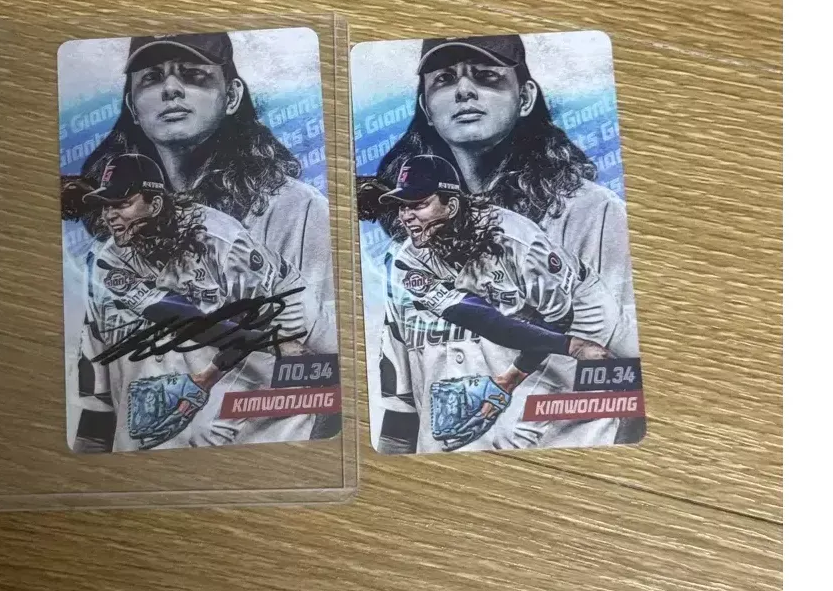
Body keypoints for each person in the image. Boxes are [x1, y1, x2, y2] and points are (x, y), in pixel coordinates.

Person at [360, 34, 635, 321]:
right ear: (427, 108)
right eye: (444, 78)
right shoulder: (414, 228)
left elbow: (612, 332)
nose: (463, 90)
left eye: (486, 75)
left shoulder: (592, 214)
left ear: (525, 98)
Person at [374, 155, 636, 453]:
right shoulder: (408, 262)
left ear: (452, 205)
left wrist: (515, 376)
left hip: (582, 305)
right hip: (523, 317)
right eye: (402, 206)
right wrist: (514, 376)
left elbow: (559, 317)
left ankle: (629, 424)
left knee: (632, 375)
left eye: (419, 204)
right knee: (519, 423)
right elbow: (481, 318)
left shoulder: (514, 239)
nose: (407, 215)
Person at [72, 154, 334, 452]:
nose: (110, 215)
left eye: (121, 203)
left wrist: (216, 373)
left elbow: (260, 315)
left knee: (322, 374)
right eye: (106, 205)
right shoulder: (108, 260)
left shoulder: (219, 240)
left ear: (155, 205)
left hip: (285, 299)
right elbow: (175, 315)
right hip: (215, 320)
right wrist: (206, 378)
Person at [64, 32, 334, 316]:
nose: (170, 88)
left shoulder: (297, 212)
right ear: (133, 107)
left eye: (193, 74)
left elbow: (318, 332)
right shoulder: (113, 236)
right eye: (152, 77)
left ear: (232, 96)